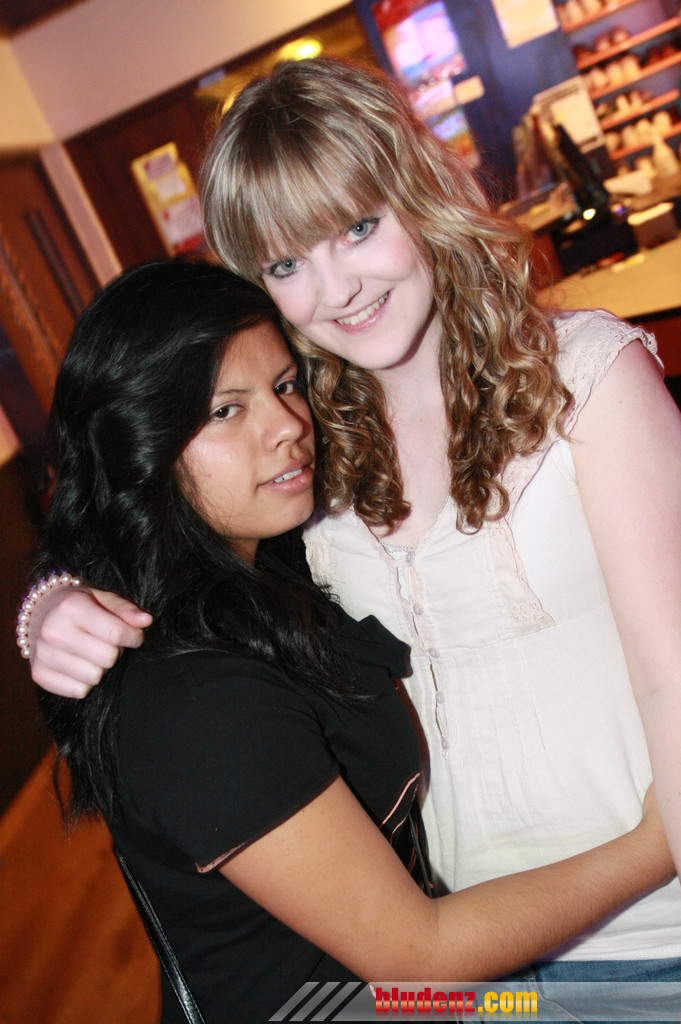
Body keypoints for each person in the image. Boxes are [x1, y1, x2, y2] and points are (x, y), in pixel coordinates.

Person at [22, 57, 681, 992]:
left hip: (646, 937)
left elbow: (672, 677)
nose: (336, 290)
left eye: (357, 227)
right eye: (286, 264)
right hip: (465, 958)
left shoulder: (584, 378)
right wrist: (48, 601)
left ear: (418, 193)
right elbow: (170, 550)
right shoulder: (309, 445)